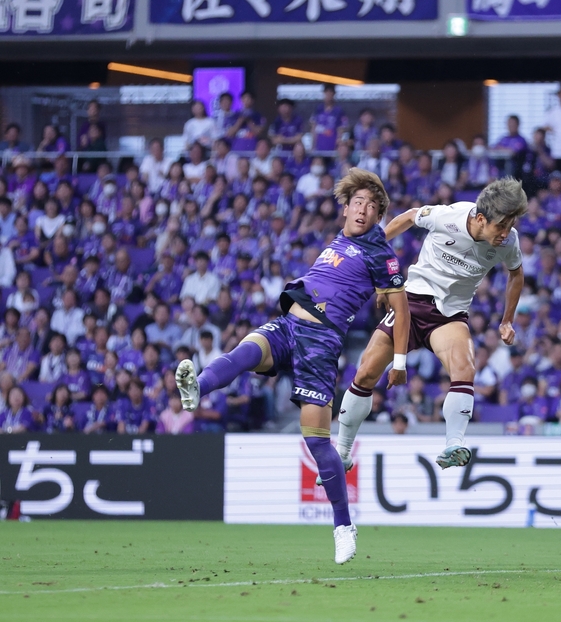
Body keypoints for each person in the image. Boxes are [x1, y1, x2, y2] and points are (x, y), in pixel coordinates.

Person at [175, 168, 409, 565]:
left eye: (371, 206)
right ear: (346, 207)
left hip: (321, 342)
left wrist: (400, 360)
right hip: (289, 324)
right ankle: (197, 385)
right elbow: (396, 223)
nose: (362, 210)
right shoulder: (343, 239)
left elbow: (400, 309)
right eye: (357, 202)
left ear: (377, 215)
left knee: (317, 440)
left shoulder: (380, 252)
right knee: (245, 352)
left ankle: (343, 527)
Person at [333, 178, 527, 474]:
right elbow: (409, 217)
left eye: (509, 226)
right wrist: (373, 251)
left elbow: (516, 274)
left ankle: (454, 444)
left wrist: (507, 319)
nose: (505, 234)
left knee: (465, 369)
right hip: (411, 301)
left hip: (449, 315)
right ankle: (343, 452)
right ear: (479, 218)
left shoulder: (508, 241)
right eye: (500, 227)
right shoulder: (448, 216)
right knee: (366, 370)